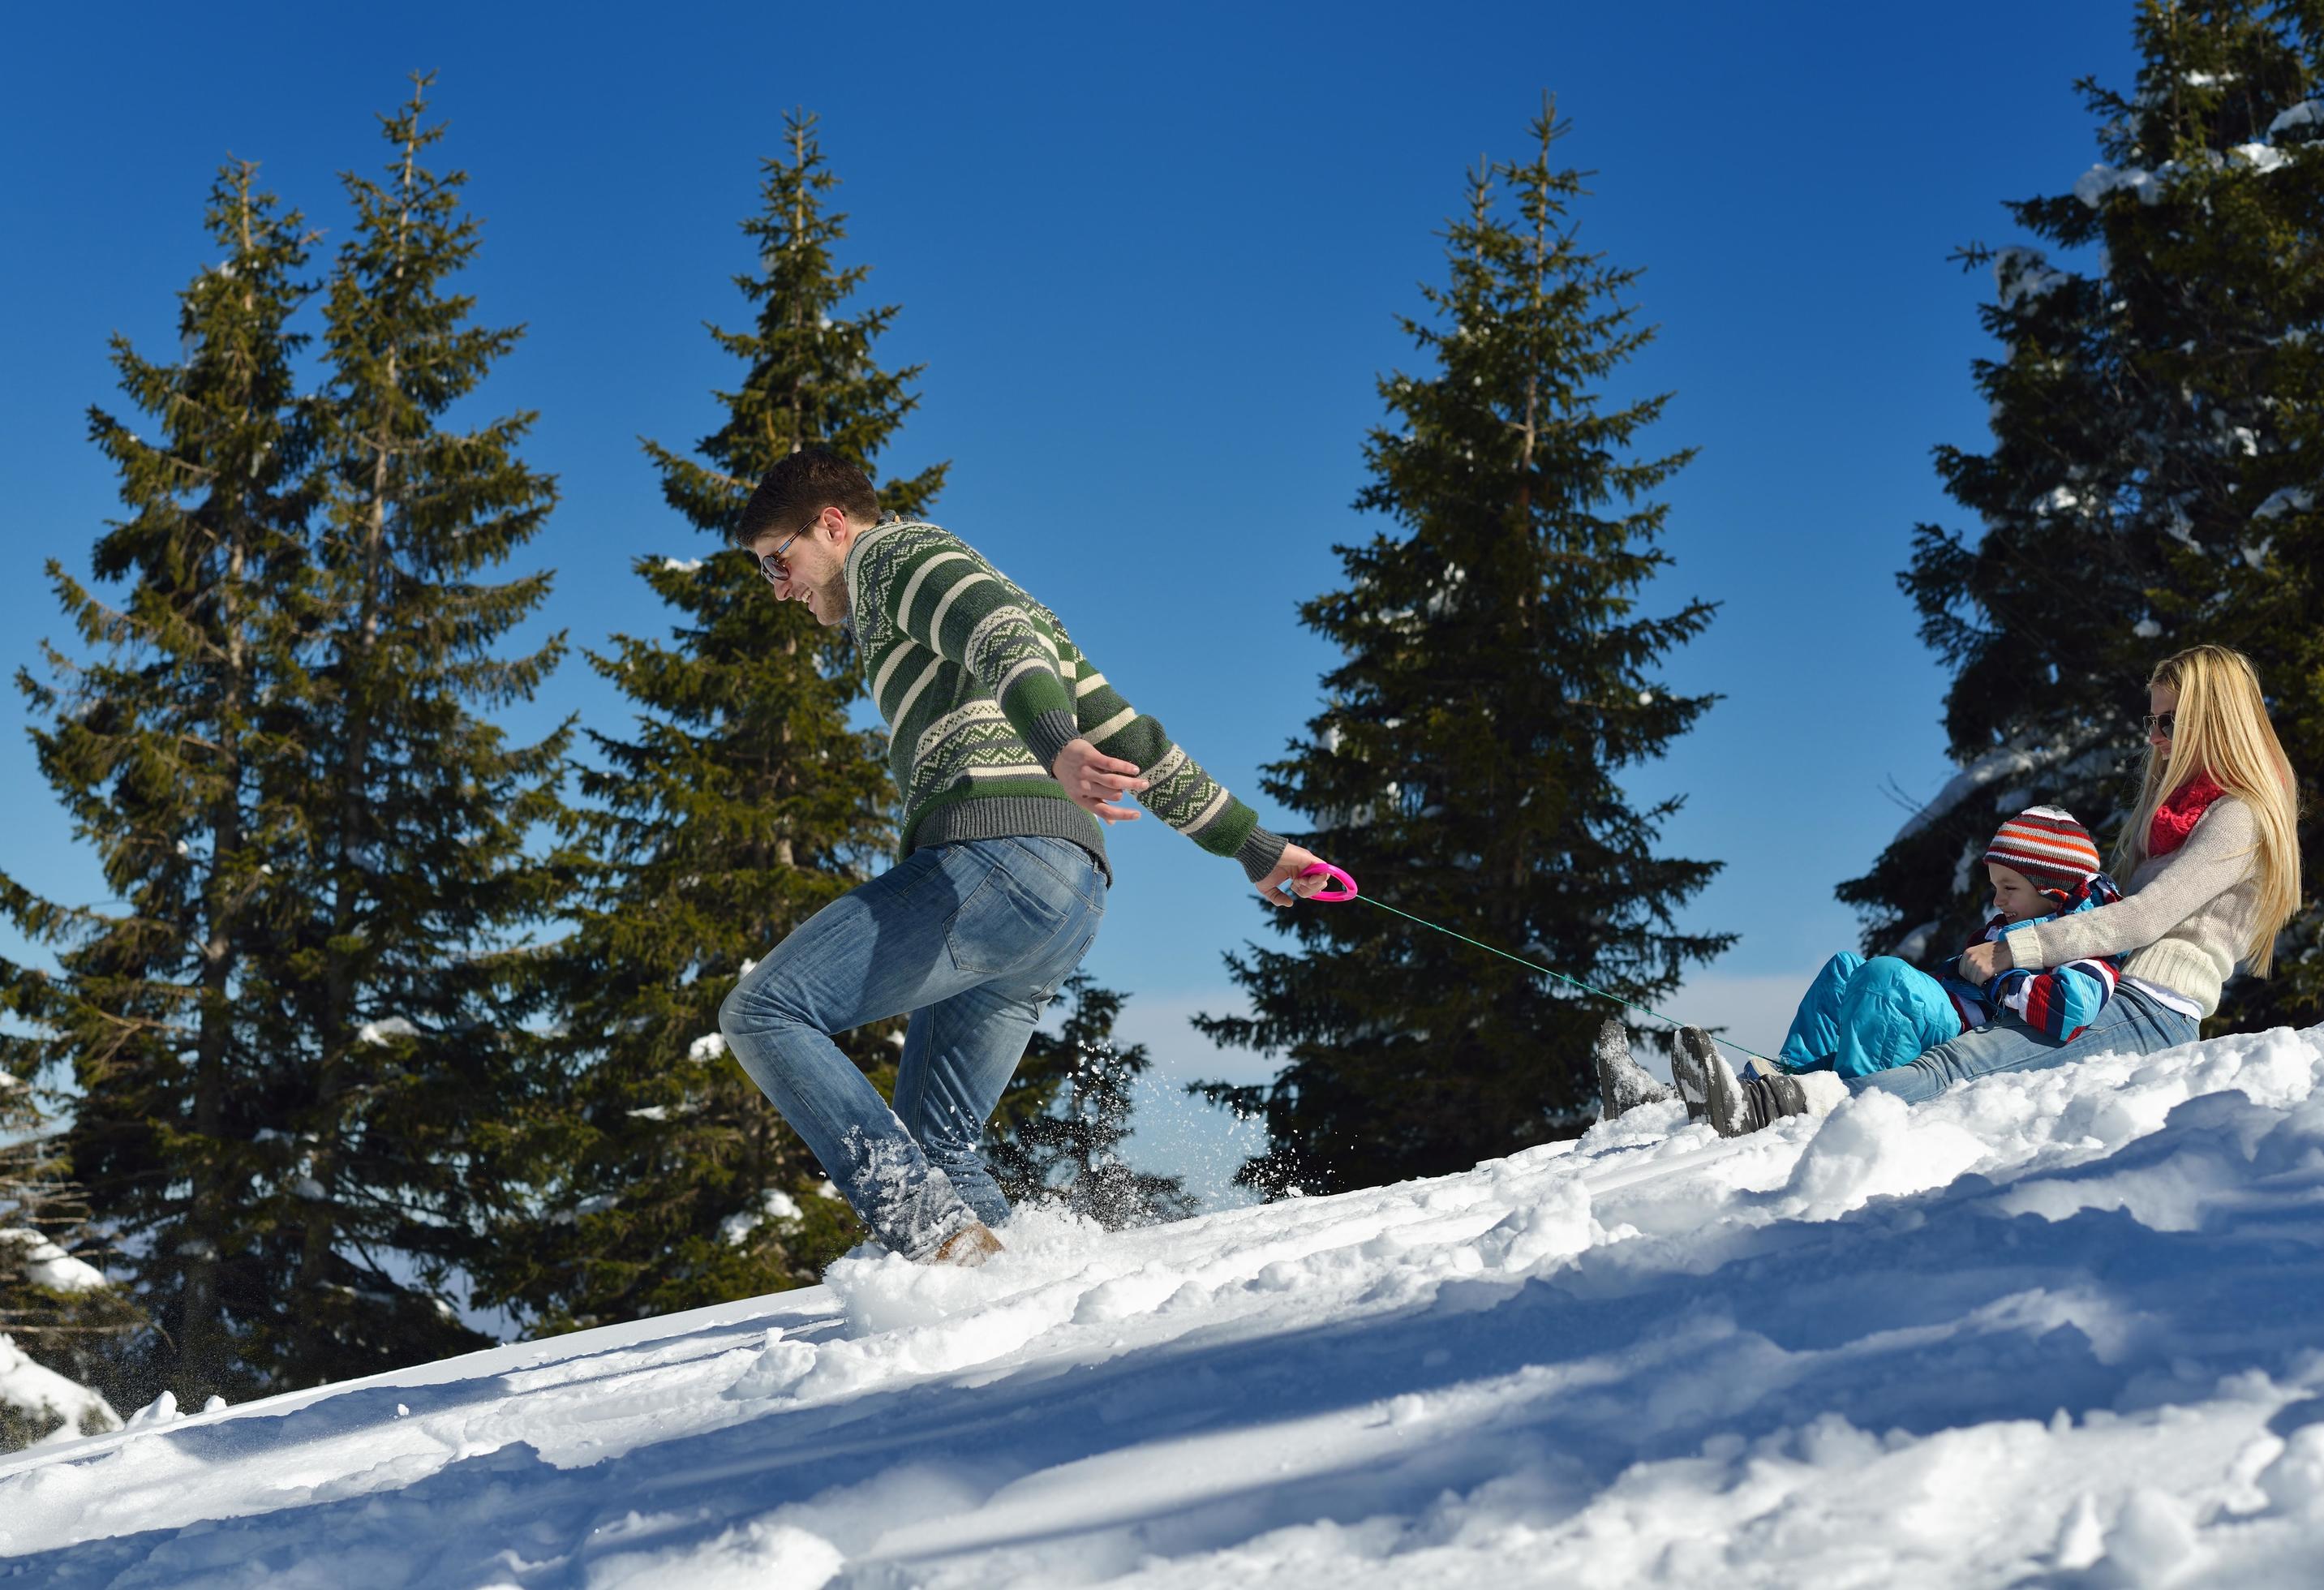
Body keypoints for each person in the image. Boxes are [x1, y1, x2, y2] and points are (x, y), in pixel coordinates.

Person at [715, 449, 1334, 1265]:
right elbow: (1135, 740)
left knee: (764, 1010)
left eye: (778, 562)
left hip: (996, 863)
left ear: (832, 525)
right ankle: (1010, 1297)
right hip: (1064, 899)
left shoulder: (894, 557)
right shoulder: (991, 603)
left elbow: (996, 634)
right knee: (942, 1145)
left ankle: (937, 1243)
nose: (780, 587)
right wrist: (1253, 848)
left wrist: (1055, 744)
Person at [1682, 644, 2304, 1137]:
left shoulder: (2239, 817)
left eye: (2168, 722)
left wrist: (2015, 950)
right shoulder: (2170, 813)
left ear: (2212, 722)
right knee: (1923, 1025)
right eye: (2151, 720)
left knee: (1952, 1067)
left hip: (2149, 1012)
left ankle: (1784, 1109)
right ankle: (1738, 1096)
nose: (2153, 737)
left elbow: (2141, 920)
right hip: (2099, 984)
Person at [1594, 807, 2124, 1124]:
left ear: (2053, 890)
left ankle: (1841, 1102)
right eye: (1993, 888)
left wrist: (2002, 971)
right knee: (1846, 968)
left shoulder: (2083, 938)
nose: (1996, 901)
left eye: (2008, 889)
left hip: (1973, 1031)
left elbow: (2067, 1011)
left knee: (1883, 979)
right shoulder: (2010, 923)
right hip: (1951, 1009)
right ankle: (1780, 1082)